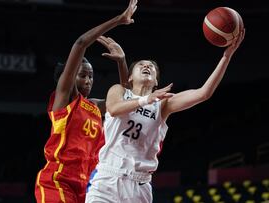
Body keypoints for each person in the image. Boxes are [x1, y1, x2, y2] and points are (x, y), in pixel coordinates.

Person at [85, 28, 245, 202]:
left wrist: (226, 57)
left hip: (139, 186)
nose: (147, 66)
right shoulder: (119, 91)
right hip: (107, 179)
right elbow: (114, 109)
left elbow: (204, 93)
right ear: (129, 77)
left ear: (156, 82)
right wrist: (146, 99)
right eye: (141, 65)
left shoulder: (162, 104)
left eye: (152, 67)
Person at [35, 0, 138, 202]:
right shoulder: (64, 99)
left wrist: (121, 61)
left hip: (87, 185)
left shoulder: (95, 106)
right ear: (70, 77)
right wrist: (118, 20)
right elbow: (81, 43)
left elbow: (125, 99)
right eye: (83, 75)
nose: (88, 80)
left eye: (91, 76)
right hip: (57, 180)